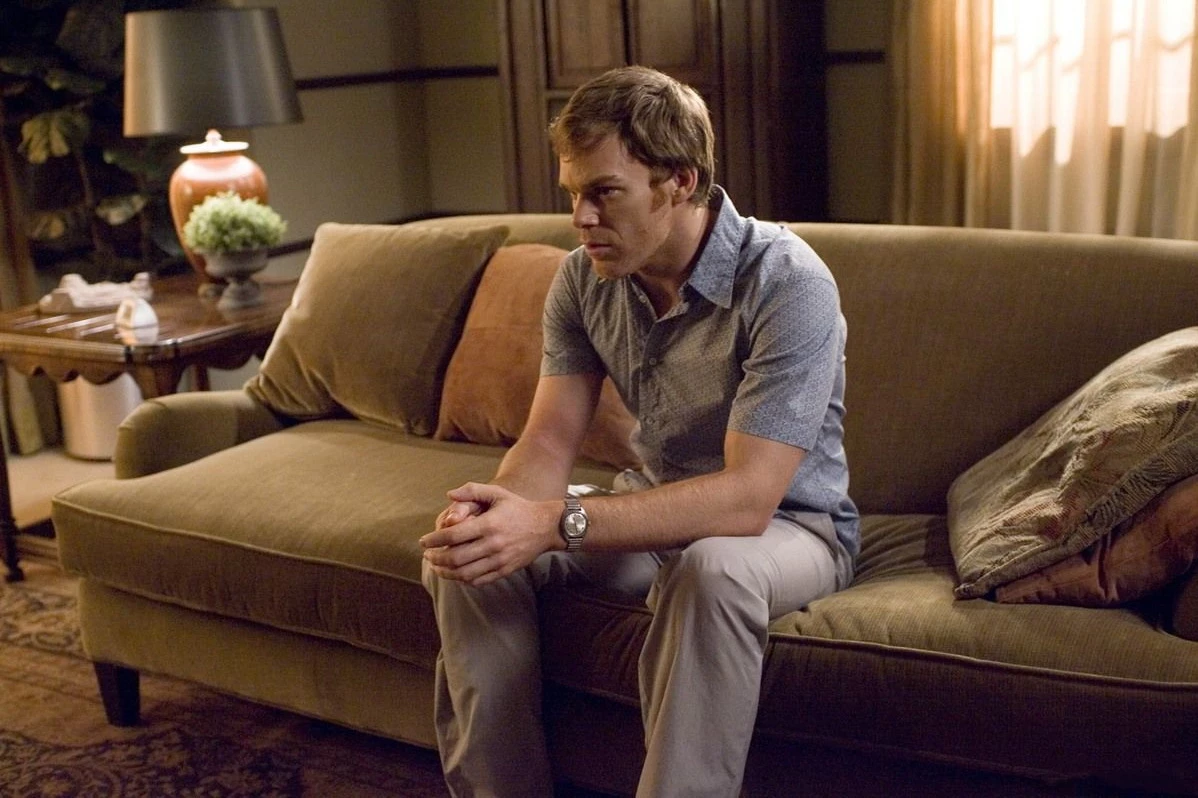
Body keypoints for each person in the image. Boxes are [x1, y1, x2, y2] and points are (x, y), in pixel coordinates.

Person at [420, 65, 859, 798]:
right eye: (572, 194)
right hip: (650, 511)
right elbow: (548, 443)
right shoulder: (583, 279)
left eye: (604, 193)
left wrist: (553, 522)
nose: (580, 218)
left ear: (679, 181)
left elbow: (748, 499)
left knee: (712, 570)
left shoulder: (788, 282)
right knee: (467, 556)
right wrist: (500, 517)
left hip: (790, 529)